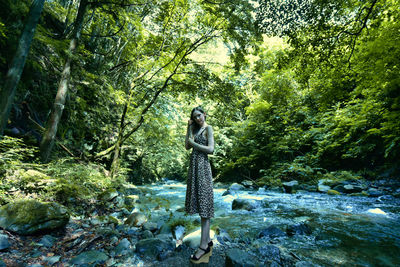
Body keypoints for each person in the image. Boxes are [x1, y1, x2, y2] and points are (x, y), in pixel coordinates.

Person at [185, 106, 215, 264]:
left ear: (204, 114)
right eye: (195, 117)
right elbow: (186, 146)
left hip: (203, 168)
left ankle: (203, 246)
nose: (198, 118)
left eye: (199, 115)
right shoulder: (195, 130)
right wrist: (188, 128)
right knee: (198, 202)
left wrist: (194, 144)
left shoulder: (208, 128)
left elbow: (211, 149)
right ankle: (208, 240)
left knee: (204, 206)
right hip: (194, 169)